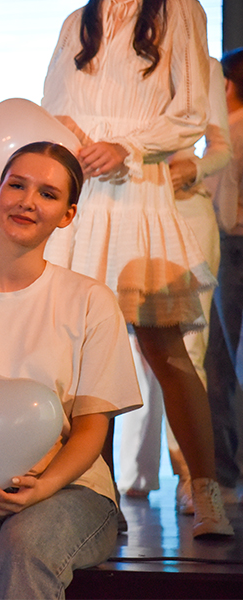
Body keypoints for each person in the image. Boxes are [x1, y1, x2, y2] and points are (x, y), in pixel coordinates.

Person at [0, 142, 142, 599]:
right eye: (17, 185)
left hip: (70, 487)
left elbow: (92, 428)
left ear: (68, 214)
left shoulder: (89, 301)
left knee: (26, 547)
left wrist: (43, 487)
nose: (27, 202)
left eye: (47, 194)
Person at [41, 0, 233, 536]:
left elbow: (191, 112)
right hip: (80, 197)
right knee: (81, 358)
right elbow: (51, 106)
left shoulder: (179, 11)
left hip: (137, 192)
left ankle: (205, 490)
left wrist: (126, 145)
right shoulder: (76, 22)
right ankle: (97, 497)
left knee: (165, 349)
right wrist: (65, 136)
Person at [118, 56, 232, 512]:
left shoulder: (203, 65)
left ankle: (192, 477)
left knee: (187, 345)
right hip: (129, 208)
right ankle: (132, 472)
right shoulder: (120, 59)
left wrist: (195, 169)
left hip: (184, 208)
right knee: (130, 347)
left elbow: (220, 146)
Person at [205, 46, 243, 505]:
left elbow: (219, 202)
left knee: (218, 364)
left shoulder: (229, 132)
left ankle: (224, 477)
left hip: (231, 248)